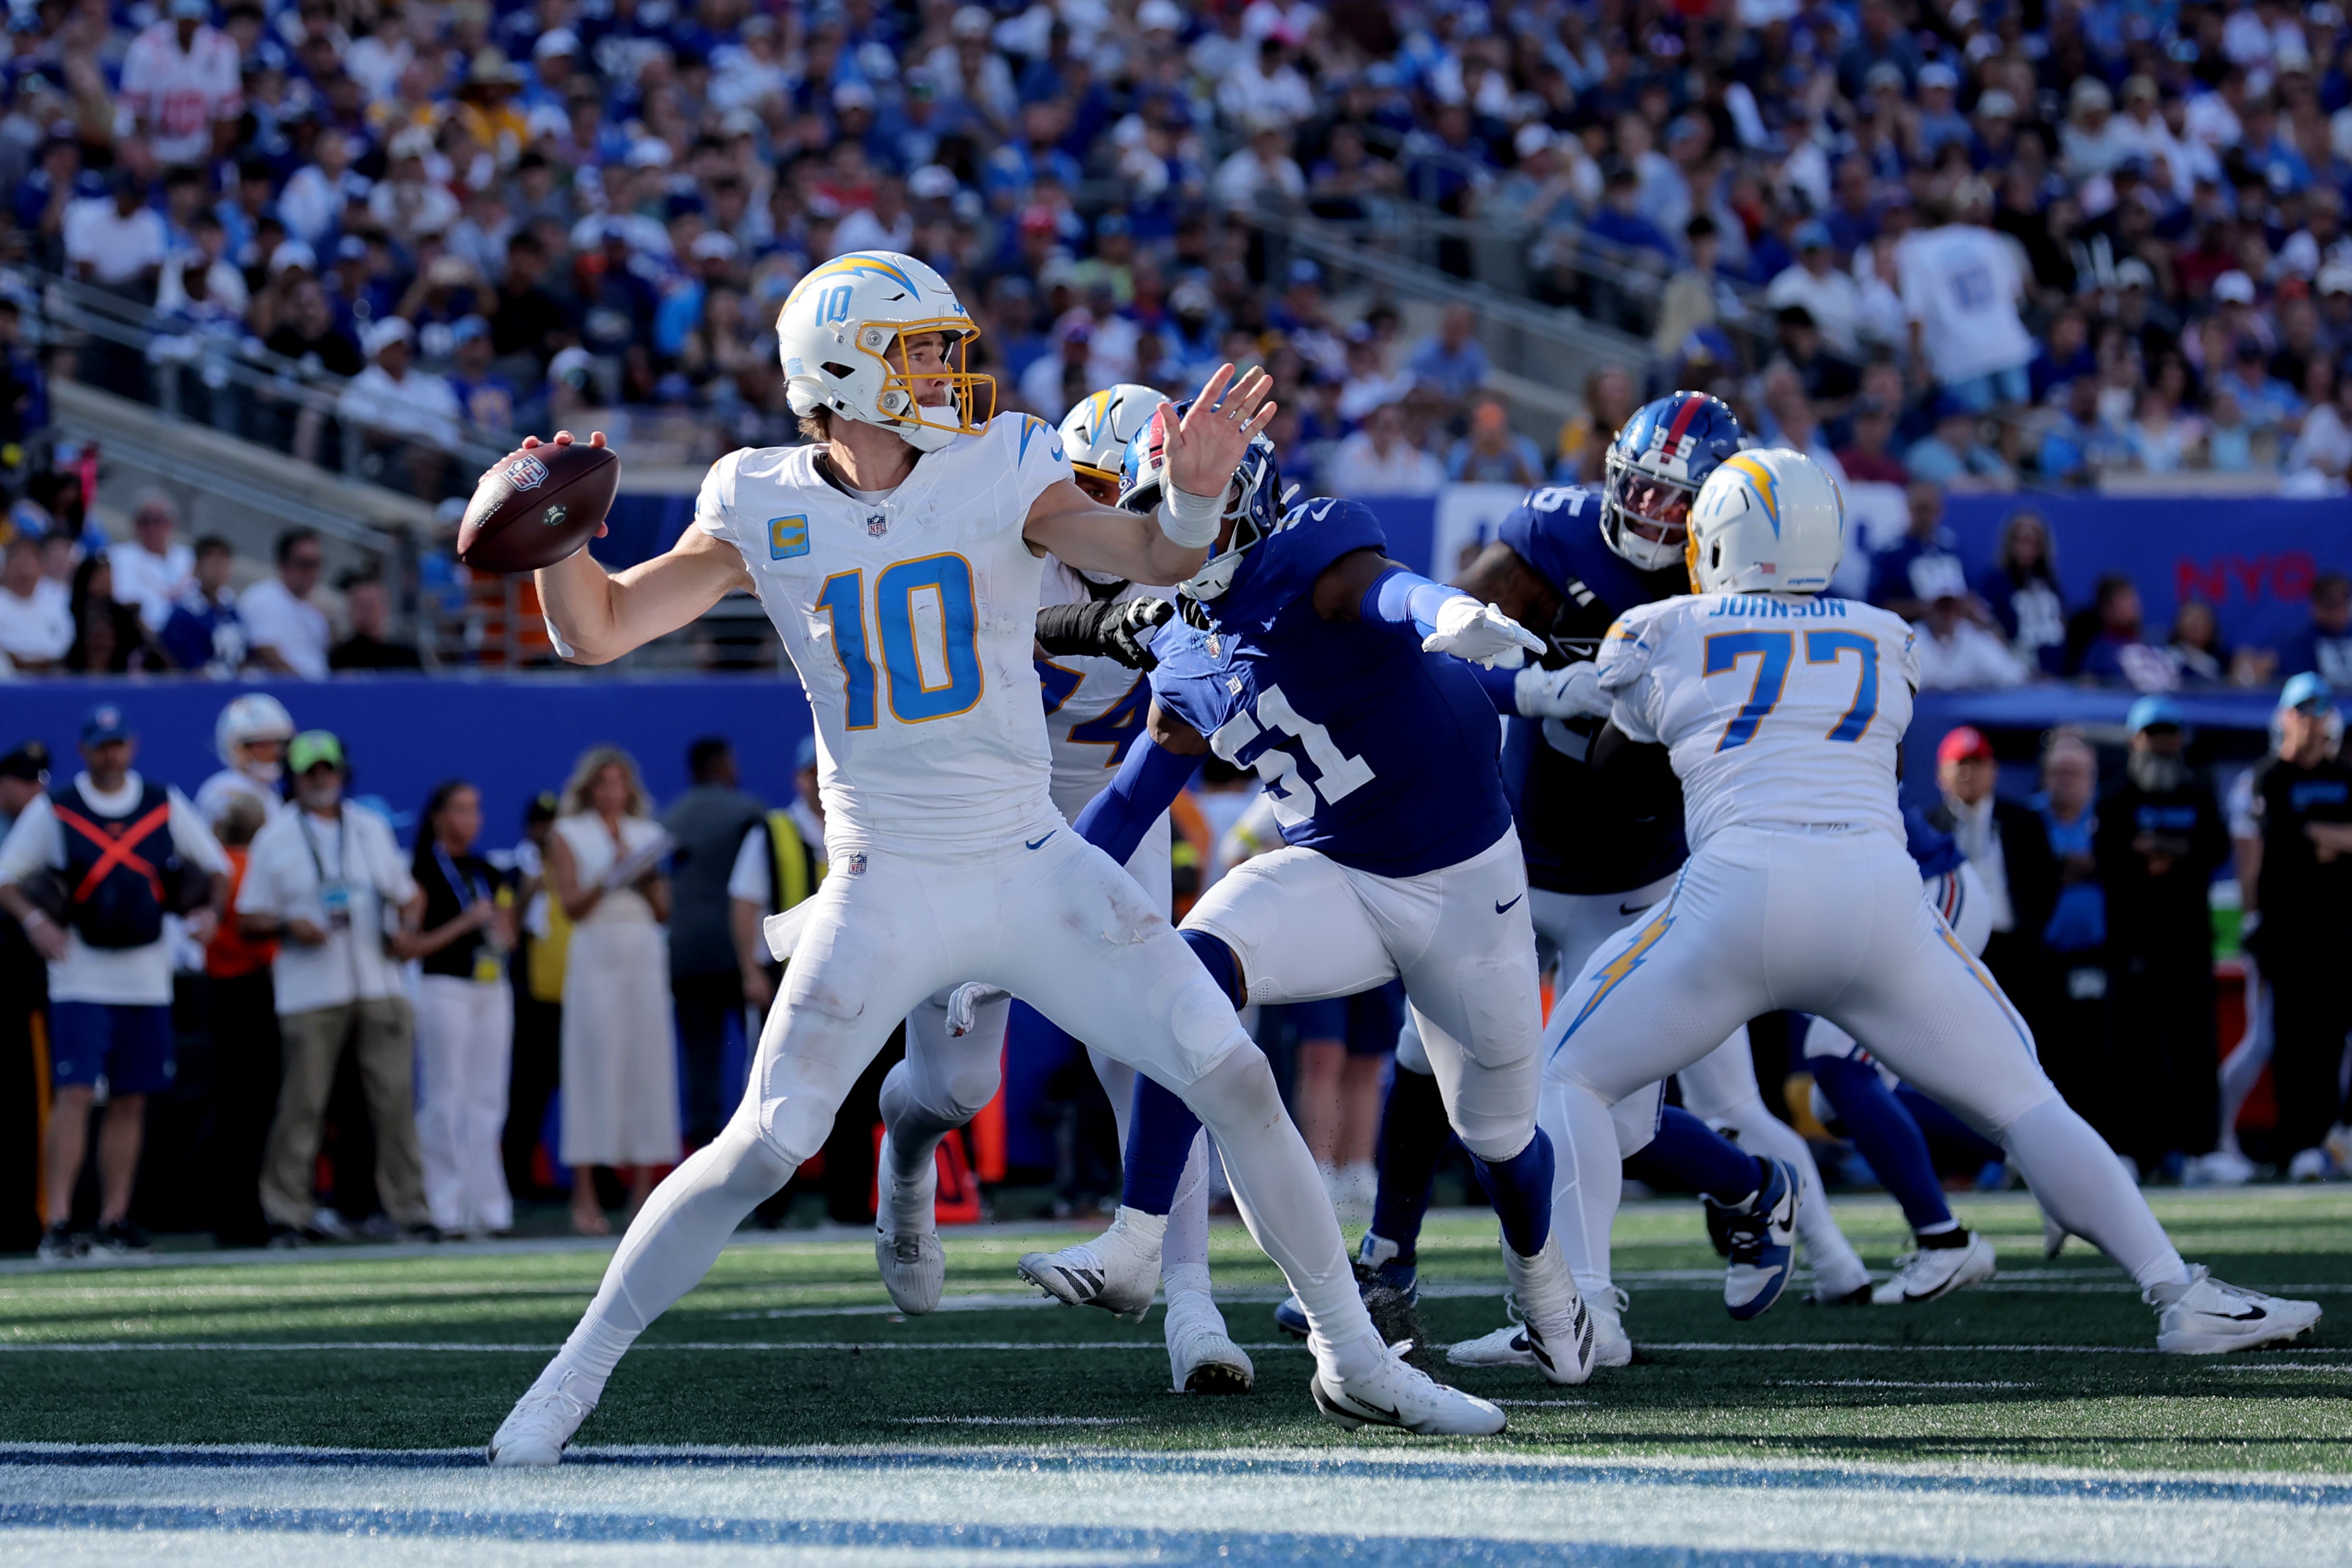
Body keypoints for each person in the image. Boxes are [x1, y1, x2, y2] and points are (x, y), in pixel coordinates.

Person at [490, 250, 1499, 1467]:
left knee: (1229, 1068)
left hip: (1029, 856)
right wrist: (557, 538)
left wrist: (1186, 502)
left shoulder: (1005, 459)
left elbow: (1158, 557)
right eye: (920, 350)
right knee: (764, 1137)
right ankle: (567, 1381)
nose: (948, 371)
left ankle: (1353, 1355)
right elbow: (599, 628)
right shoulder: (754, 493)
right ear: (844, 367)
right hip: (885, 875)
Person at [1534, 446, 2316, 1356]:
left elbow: (1614, 775)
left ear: (1716, 540)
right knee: (2028, 1101)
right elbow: (1882, 763)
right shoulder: (1884, 635)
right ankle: (2179, 1290)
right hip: (1880, 899)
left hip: (1735, 897)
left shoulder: (1659, 626)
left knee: (1570, 1075)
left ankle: (1581, 1311)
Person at [1010, 439, 1604, 1387]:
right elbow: (1124, 804)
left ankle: (1545, 1283)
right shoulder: (1180, 638)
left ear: (1246, 503)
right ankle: (1135, 1235)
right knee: (1190, 963)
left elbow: (1386, 592)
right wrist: (1020, 921)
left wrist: (1448, 608)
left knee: (1496, 1135)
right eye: (1163, 510)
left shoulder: (1309, 553)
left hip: (1463, 888)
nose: (1179, 529)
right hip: (1335, 870)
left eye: (1197, 505)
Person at [1351, 399, 1873, 1376]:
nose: (1640, 510)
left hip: (1635, 874)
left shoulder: (1739, 595)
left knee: (1606, 1110)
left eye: (1670, 500)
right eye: (1632, 484)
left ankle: (1746, 1187)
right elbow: (1441, 656)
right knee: (1424, 1047)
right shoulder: (1553, 538)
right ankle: (1389, 1264)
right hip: (1515, 849)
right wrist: (1541, 685)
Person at [876, 381, 1253, 1394]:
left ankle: (1193, 1306)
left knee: (1161, 1054)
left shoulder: (1184, 556)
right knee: (957, 1087)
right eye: (1105, 498)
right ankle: (907, 1157)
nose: (1123, 525)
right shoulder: (994, 556)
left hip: (1114, 821)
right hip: (982, 818)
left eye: (1140, 500)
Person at [0, 705, 227, 1262]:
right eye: (102, 746)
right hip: (81, 971)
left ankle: (114, 1216)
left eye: (119, 744)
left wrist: (210, 914)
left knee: (132, 1098)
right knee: (75, 1095)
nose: (111, 755)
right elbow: (7, 877)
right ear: (85, 751)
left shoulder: (162, 800)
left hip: (146, 973)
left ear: (133, 745)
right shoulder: (57, 807)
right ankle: (56, 1220)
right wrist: (37, 922)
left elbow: (216, 867)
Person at [237, 730, 434, 1244]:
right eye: (310, 770)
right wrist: (289, 925)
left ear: (343, 773)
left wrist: (406, 926)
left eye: (329, 769)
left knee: (393, 1102)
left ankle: (411, 1210)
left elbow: (410, 895)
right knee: (304, 1104)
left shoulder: (370, 827)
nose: (322, 778)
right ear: (294, 778)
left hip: (379, 979)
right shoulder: (275, 836)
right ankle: (286, 1212)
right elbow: (248, 916)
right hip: (309, 988)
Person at [2094, 698, 2228, 1182]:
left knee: (2195, 1049)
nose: (2163, 742)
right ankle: (2131, 1150)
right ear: (2135, 740)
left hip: (2188, 942)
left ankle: (2201, 1151)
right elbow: (2110, 857)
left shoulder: (2197, 793)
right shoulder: (2116, 799)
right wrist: (2170, 857)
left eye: (2170, 732)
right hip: (2132, 945)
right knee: (2130, 1052)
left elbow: (2215, 848)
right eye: (2153, 733)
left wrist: (2160, 849)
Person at [546, 746, 676, 1235]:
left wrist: (643, 876)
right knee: (590, 1068)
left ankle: (642, 1194)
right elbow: (573, 906)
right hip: (595, 957)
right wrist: (610, 874)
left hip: (642, 955)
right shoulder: (567, 833)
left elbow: (663, 909)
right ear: (588, 788)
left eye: (618, 783)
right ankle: (585, 1195)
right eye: (602, 783)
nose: (610, 792)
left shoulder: (651, 835)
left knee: (647, 1067)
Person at [2243, 674, 2352, 1180]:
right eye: (2302, 712)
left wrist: (2319, 835)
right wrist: (2326, 838)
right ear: (2286, 717)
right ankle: (2295, 1142)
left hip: (2337, 928)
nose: (2311, 722)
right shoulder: (2269, 777)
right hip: (2287, 929)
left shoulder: (2343, 775)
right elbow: (2285, 838)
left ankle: (2326, 1138)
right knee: (2288, 1040)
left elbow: (2324, 839)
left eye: (2318, 711)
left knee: (2330, 1039)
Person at [404, 779, 518, 1237]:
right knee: (444, 1095)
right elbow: (407, 945)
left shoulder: (489, 870)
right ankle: (443, 1207)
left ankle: (489, 1209)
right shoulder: (419, 871)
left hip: (491, 988)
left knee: (488, 1098)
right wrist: (464, 924)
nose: (469, 820)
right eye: (459, 810)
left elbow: (508, 933)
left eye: (475, 810)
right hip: (442, 987)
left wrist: (502, 934)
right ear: (437, 816)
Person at [660, 737, 764, 1152]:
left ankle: (702, 1159)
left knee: (700, 1065)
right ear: (722, 765)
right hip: (739, 955)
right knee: (761, 1062)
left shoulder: (669, 818)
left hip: (685, 955)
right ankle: (758, 1153)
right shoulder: (749, 812)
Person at [204, 791, 282, 1246]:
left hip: (220, 995)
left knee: (231, 1110)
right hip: (253, 992)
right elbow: (259, 935)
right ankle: (246, 1216)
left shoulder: (217, 868)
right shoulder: (246, 870)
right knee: (253, 1111)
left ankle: (230, 1215)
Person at [506, 793, 566, 1202]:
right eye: (542, 823)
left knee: (583, 1091)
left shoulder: (573, 869)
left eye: (555, 823)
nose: (548, 831)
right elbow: (506, 929)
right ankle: (516, 1179)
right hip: (532, 1000)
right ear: (531, 828)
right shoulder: (516, 871)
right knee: (528, 1094)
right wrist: (528, 890)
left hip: (574, 994)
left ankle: (599, 1181)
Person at [1979, 511, 2067, 676]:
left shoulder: (2050, 583)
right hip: (2016, 671)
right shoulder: (1996, 582)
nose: (2026, 549)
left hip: (2053, 671)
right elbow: (1987, 625)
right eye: (2021, 541)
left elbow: (2061, 622)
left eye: (2033, 543)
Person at [239, 528, 333, 679]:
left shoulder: (315, 610)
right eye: (304, 564)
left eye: (316, 564)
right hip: (281, 694)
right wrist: (307, 688)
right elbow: (267, 653)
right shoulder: (263, 598)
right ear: (283, 564)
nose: (311, 572)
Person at [197, 694, 296, 827]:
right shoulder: (223, 790)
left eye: (277, 744)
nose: (272, 752)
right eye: (261, 746)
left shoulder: (270, 792)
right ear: (236, 748)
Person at [158, 535, 248, 677]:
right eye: (214, 564)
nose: (219, 571)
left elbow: (244, 656)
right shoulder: (184, 615)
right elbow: (190, 667)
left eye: (224, 564)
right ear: (197, 567)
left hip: (235, 684)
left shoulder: (231, 609)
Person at [109, 491, 195, 635]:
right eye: (144, 520)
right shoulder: (118, 557)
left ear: (172, 524)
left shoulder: (188, 558)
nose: (152, 528)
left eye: (159, 520)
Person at [0, 534, 73, 672]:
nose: (25, 566)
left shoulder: (57, 597)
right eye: (18, 559)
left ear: (41, 566)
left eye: (30, 559)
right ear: (7, 566)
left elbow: (62, 640)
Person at [327, 570, 424, 670]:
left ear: (385, 608)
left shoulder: (406, 656)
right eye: (360, 606)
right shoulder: (339, 658)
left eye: (371, 605)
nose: (366, 612)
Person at [2276, 571, 2352, 688]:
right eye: (2332, 606)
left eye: (2344, 604)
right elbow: (2302, 690)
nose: (2339, 612)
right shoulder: (2300, 644)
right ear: (2316, 606)